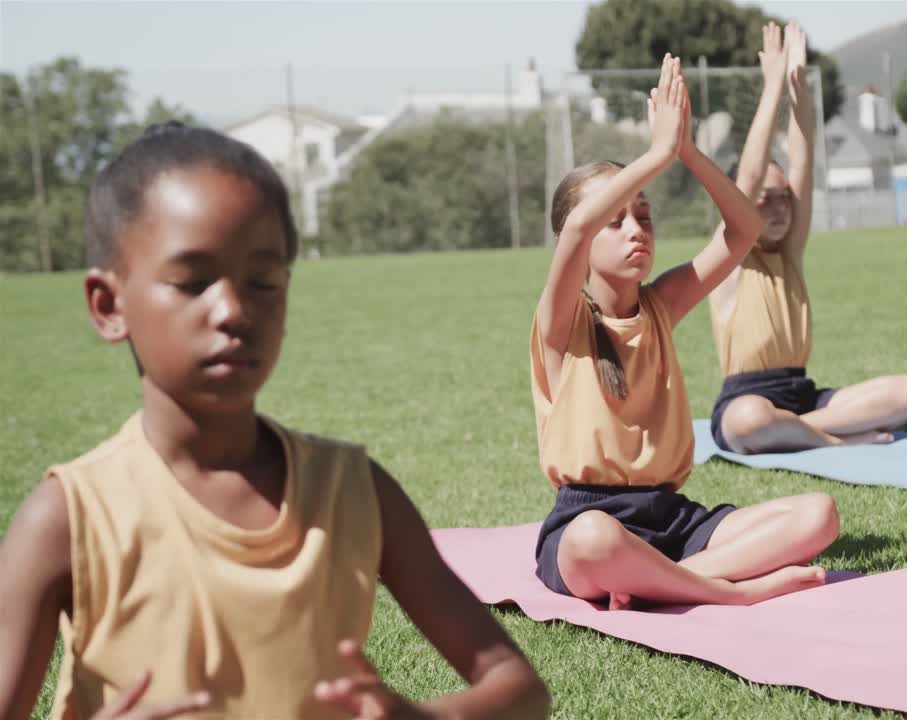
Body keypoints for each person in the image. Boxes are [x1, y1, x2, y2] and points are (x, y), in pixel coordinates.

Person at [0, 123, 549, 720]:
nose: (233, 309)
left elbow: (519, 688)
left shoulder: (353, 493)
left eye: (263, 281)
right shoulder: (68, 520)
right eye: (192, 281)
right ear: (108, 307)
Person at [531, 55, 839, 612]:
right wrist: (655, 155)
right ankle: (731, 591)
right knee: (593, 541)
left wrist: (687, 152)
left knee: (818, 515)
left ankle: (670, 580)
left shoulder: (661, 304)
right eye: (617, 219)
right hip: (588, 519)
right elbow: (577, 225)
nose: (636, 231)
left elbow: (743, 229)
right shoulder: (561, 324)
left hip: (671, 517)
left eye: (643, 216)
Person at [709, 22, 907, 455]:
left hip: (803, 395)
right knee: (748, 420)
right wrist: (771, 87)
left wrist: (799, 91)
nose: (778, 208)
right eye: (763, 200)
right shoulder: (730, 258)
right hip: (746, 399)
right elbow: (748, 176)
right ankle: (832, 437)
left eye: (783, 199)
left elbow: (803, 167)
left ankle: (798, 430)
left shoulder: (789, 251)